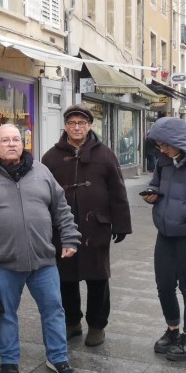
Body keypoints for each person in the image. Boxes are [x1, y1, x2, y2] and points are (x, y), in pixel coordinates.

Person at [0, 124, 82, 373]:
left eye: (16, 139)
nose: (12, 144)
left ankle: (58, 357)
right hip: (2, 262)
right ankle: (9, 361)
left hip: (43, 261)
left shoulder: (42, 172)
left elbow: (62, 209)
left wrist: (69, 237)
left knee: (54, 310)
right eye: (5, 140)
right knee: (6, 314)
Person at [41, 104, 131, 347]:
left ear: (90, 125)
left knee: (98, 278)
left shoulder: (105, 154)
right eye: (72, 123)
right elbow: (41, 194)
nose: (77, 127)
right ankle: (72, 322)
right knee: (65, 278)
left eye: (81, 123)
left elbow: (118, 190)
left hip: (97, 227)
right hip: (62, 229)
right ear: (65, 126)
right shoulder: (51, 157)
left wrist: (121, 224)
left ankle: (97, 325)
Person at [142, 117, 186, 361]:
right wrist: (153, 194)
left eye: (166, 144)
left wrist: (183, 212)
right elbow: (156, 184)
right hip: (165, 233)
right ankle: (172, 330)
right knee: (164, 285)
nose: (163, 150)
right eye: (159, 145)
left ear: (179, 141)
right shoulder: (163, 161)